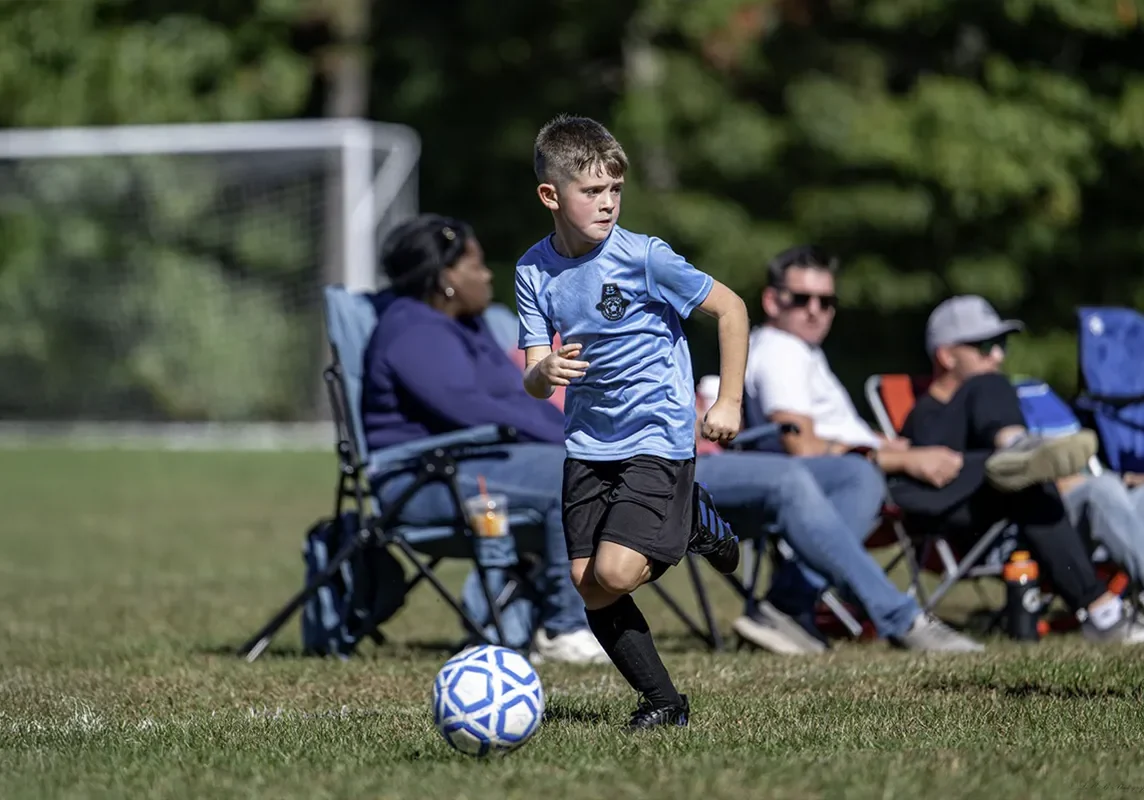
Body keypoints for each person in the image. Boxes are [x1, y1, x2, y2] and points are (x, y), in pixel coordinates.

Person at [516, 114, 747, 730]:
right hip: (588, 443)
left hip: (657, 434)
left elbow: (731, 309)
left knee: (615, 571)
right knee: (588, 583)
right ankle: (664, 703)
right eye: (592, 191)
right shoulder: (532, 272)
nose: (608, 203)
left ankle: (689, 515)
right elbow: (535, 374)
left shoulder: (645, 257)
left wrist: (728, 401)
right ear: (551, 196)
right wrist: (546, 374)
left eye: (615, 189)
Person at [359, 212, 607, 665]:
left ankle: (549, 618)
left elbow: (518, 404)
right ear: (445, 278)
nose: (488, 274)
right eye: (476, 265)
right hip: (420, 482)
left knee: (588, 466)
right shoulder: (413, 331)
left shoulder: (467, 327)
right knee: (568, 477)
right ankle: (563, 629)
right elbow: (479, 411)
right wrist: (571, 442)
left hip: (477, 466)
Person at [893, 295, 1144, 643]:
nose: (998, 355)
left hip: (1042, 508)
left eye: (1001, 343)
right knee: (1086, 489)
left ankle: (1019, 453)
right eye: (985, 346)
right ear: (946, 355)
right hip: (999, 527)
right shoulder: (927, 419)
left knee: (1131, 492)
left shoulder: (985, 401)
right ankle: (1015, 447)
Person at [693, 379, 982, 654]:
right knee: (788, 478)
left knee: (858, 473)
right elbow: (802, 447)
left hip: (717, 457)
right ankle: (901, 618)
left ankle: (789, 603)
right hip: (672, 468)